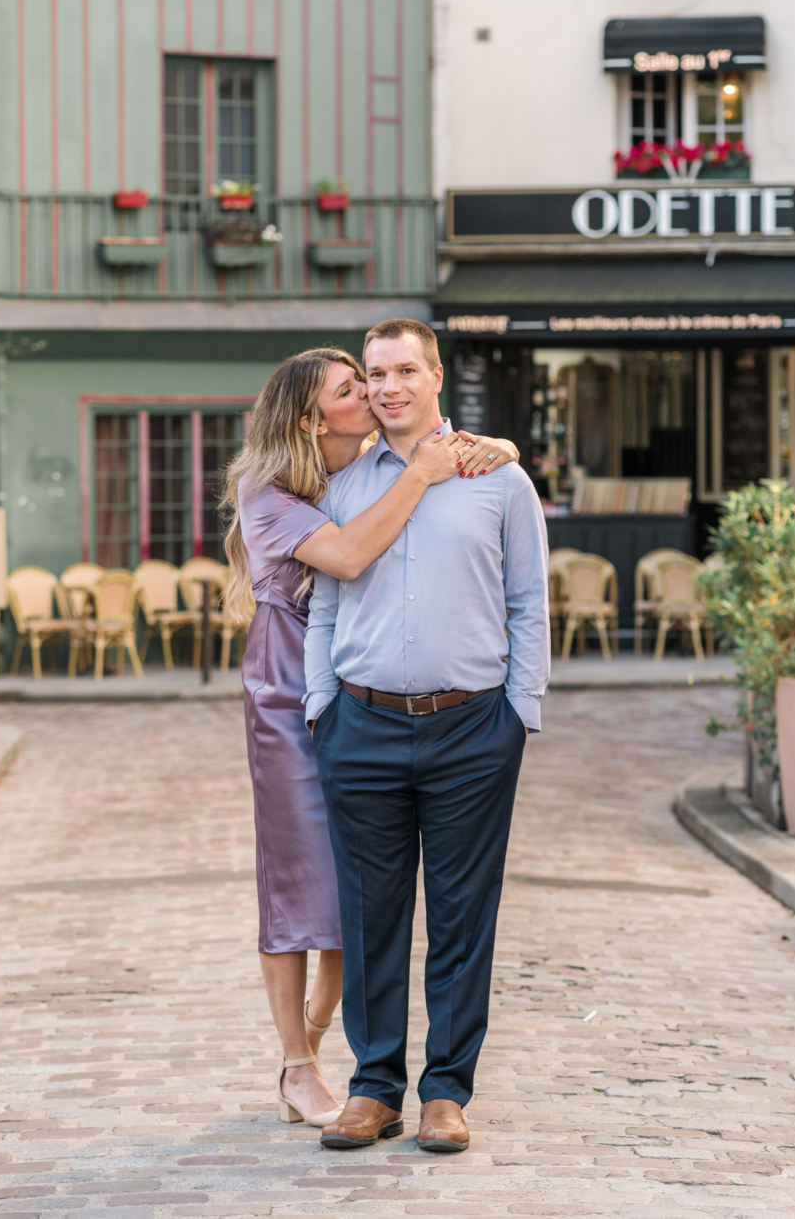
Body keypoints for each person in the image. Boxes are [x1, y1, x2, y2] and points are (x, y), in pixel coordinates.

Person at [221, 346, 520, 1129]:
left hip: (375, 700)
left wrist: (498, 450)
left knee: (360, 896)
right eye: (355, 388)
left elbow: (514, 573)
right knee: (299, 886)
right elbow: (350, 558)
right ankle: (298, 1062)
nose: (375, 393)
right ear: (314, 419)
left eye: (383, 377)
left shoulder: (350, 474)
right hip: (294, 698)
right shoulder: (273, 491)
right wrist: (423, 474)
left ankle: (335, 1051)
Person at [304, 319, 550, 1154]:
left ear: (436, 375)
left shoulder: (497, 480)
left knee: (461, 916)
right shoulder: (342, 482)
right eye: (375, 374)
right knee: (370, 916)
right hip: (360, 723)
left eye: (405, 369)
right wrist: (319, 707)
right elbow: (325, 604)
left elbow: (529, 603)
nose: (389, 386)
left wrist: (519, 712)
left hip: (473, 728)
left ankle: (446, 1092)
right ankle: (373, 1090)